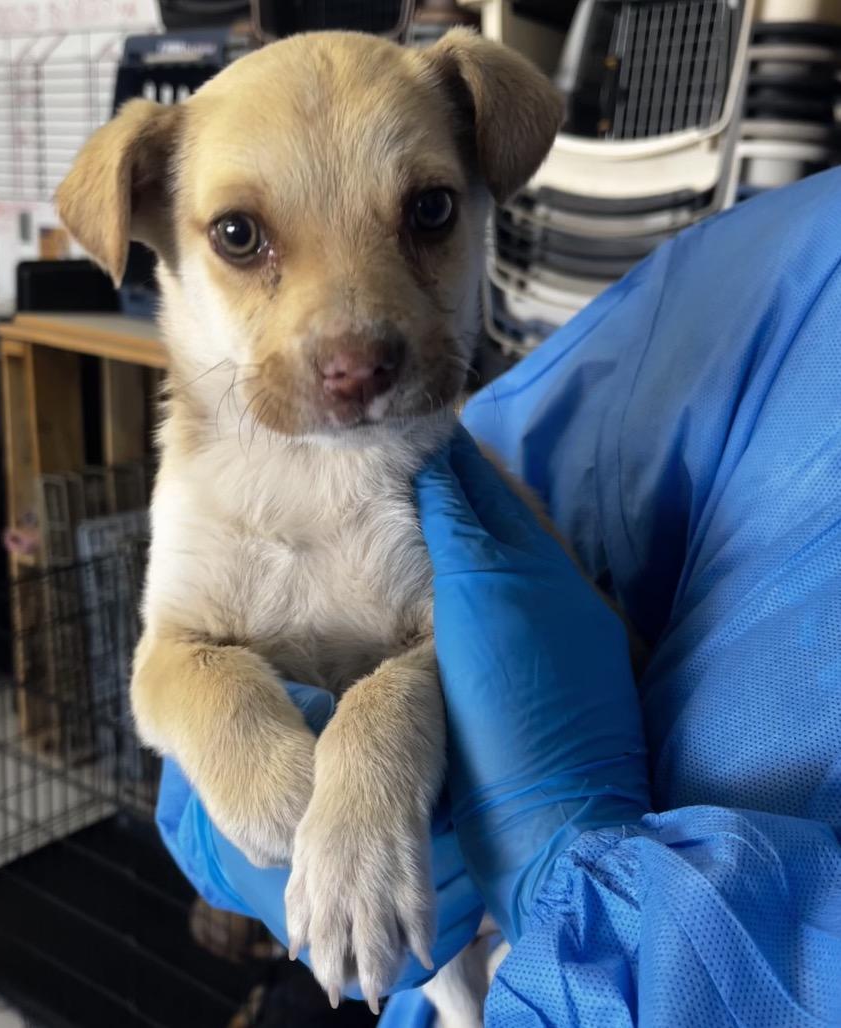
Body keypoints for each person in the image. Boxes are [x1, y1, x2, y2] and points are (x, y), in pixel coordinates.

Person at [156, 167, 841, 1025]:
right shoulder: (751, 268)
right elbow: (179, 673)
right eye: (242, 238)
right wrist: (226, 782)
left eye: (426, 213)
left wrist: (570, 868)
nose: (351, 341)